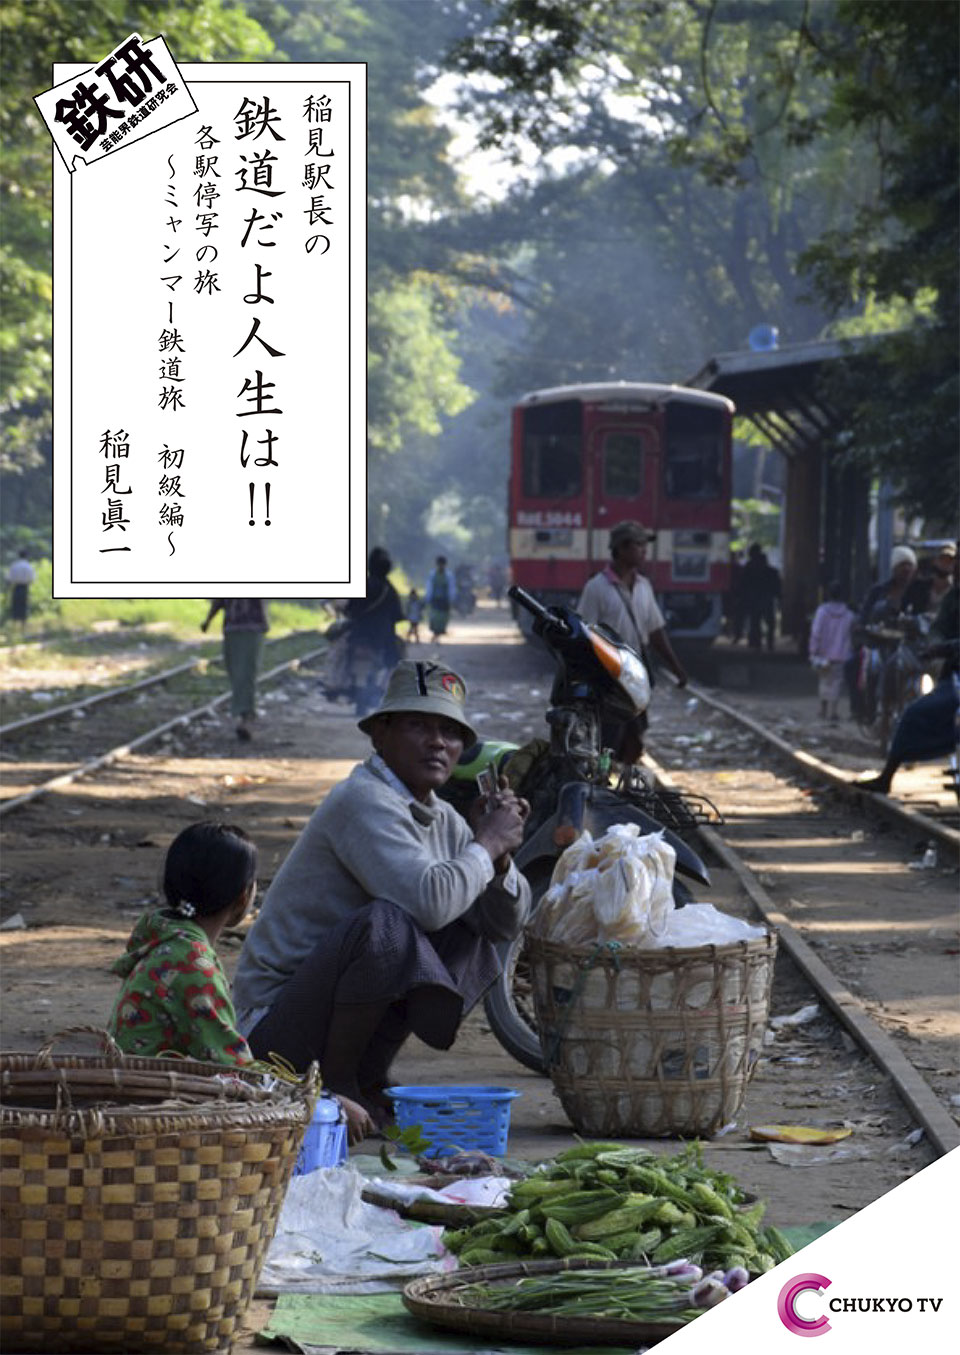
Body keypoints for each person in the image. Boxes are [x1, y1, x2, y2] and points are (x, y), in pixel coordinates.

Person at [233, 660, 532, 1126]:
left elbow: (503, 926)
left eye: (450, 732)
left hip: (325, 1019)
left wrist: (499, 858)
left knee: (467, 929)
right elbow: (427, 903)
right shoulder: (362, 800)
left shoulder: (445, 818)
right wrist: (486, 842)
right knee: (388, 924)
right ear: (381, 734)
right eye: (419, 725)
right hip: (274, 1031)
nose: (438, 742)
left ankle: (366, 1074)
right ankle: (335, 1083)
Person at [107, 822, 373, 1143]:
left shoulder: (165, 940)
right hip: (147, 1115)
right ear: (244, 895)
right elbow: (236, 1069)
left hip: (128, 1096)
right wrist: (325, 1101)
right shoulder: (192, 964)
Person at [576, 520, 688, 763]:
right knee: (609, 736)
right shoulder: (596, 588)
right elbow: (584, 636)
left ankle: (620, 785)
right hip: (609, 676)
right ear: (622, 548)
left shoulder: (644, 586)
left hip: (636, 676)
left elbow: (655, 631)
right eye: (639, 545)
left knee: (634, 737)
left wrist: (676, 667)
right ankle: (605, 783)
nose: (644, 551)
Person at [858, 554, 959, 794]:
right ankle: (887, 773)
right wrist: (935, 645)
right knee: (913, 713)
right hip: (952, 674)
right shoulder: (944, 596)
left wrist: (946, 647)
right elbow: (936, 629)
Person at [201, 599, 269, 741]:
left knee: (247, 673)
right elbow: (219, 600)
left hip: (253, 628)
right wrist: (208, 619)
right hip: (232, 628)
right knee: (235, 672)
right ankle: (243, 713)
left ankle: (246, 718)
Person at [808, 582, 856, 722]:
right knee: (836, 683)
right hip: (841, 654)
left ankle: (823, 709)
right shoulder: (849, 615)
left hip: (823, 653)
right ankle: (833, 711)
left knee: (824, 680)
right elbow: (851, 635)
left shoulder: (821, 612)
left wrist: (813, 650)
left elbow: (816, 633)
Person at [6, 549, 36, 629]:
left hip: (16, 587)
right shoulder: (29, 566)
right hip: (25, 588)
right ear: (26, 556)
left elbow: (9, 578)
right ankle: (23, 627)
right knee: (24, 606)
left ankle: (14, 626)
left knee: (15, 606)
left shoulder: (14, 565)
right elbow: (32, 579)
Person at [425, 555, 452, 642]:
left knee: (443, 617)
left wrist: (451, 598)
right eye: (439, 564)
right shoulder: (432, 574)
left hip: (445, 599)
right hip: (435, 598)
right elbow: (429, 587)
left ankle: (439, 633)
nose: (441, 566)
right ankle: (435, 633)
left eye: (442, 564)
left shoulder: (448, 575)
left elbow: (451, 588)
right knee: (435, 616)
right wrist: (428, 597)